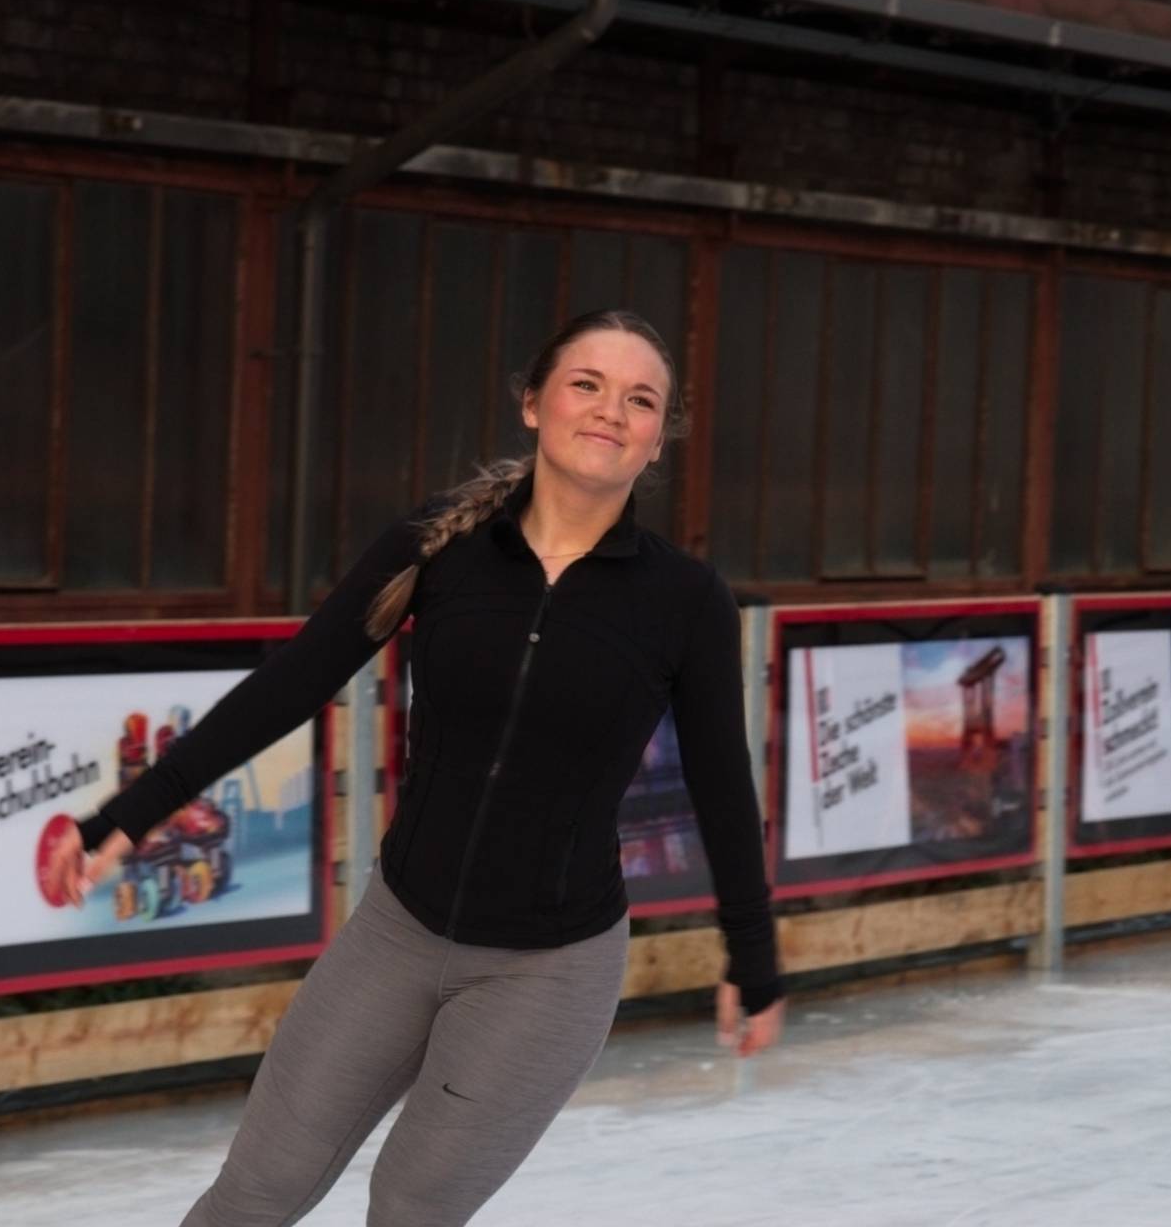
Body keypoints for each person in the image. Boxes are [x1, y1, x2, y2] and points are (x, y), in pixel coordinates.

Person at [45, 309, 787, 1226]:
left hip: (548, 970)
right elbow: (292, 683)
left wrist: (754, 957)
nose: (610, 411)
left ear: (656, 442)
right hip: (397, 934)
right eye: (587, 384)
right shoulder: (438, 548)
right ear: (533, 403)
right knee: (253, 1193)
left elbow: (722, 784)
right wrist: (131, 812)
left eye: (640, 400)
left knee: (410, 1209)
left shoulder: (684, 601)